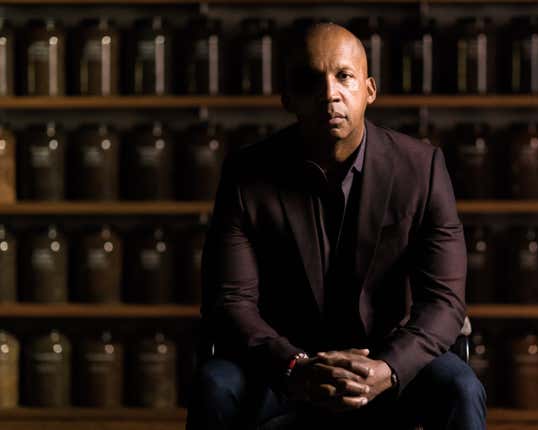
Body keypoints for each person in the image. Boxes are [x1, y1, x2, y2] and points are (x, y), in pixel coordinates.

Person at [187, 22, 486, 430]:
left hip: (387, 361)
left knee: (461, 389)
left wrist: (388, 367)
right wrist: (297, 366)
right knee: (214, 385)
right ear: (288, 98)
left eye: (344, 76)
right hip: (285, 366)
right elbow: (230, 302)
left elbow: (445, 301)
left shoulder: (422, 168)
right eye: (312, 81)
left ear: (369, 90)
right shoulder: (247, 174)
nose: (330, 94)